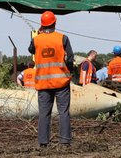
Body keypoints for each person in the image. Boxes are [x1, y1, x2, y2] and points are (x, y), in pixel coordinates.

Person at [28, 11, 74, 147]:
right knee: (64, 112)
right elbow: (70, 58)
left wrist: (39, 33)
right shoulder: (63, 38)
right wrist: (68, 70)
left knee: (44, 113)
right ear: (55, 22)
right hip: (61, 82)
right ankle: (65, 141)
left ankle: (43, 142)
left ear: (42, 25)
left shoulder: (36, 39)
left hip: (43, 84)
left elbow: (31, 50)